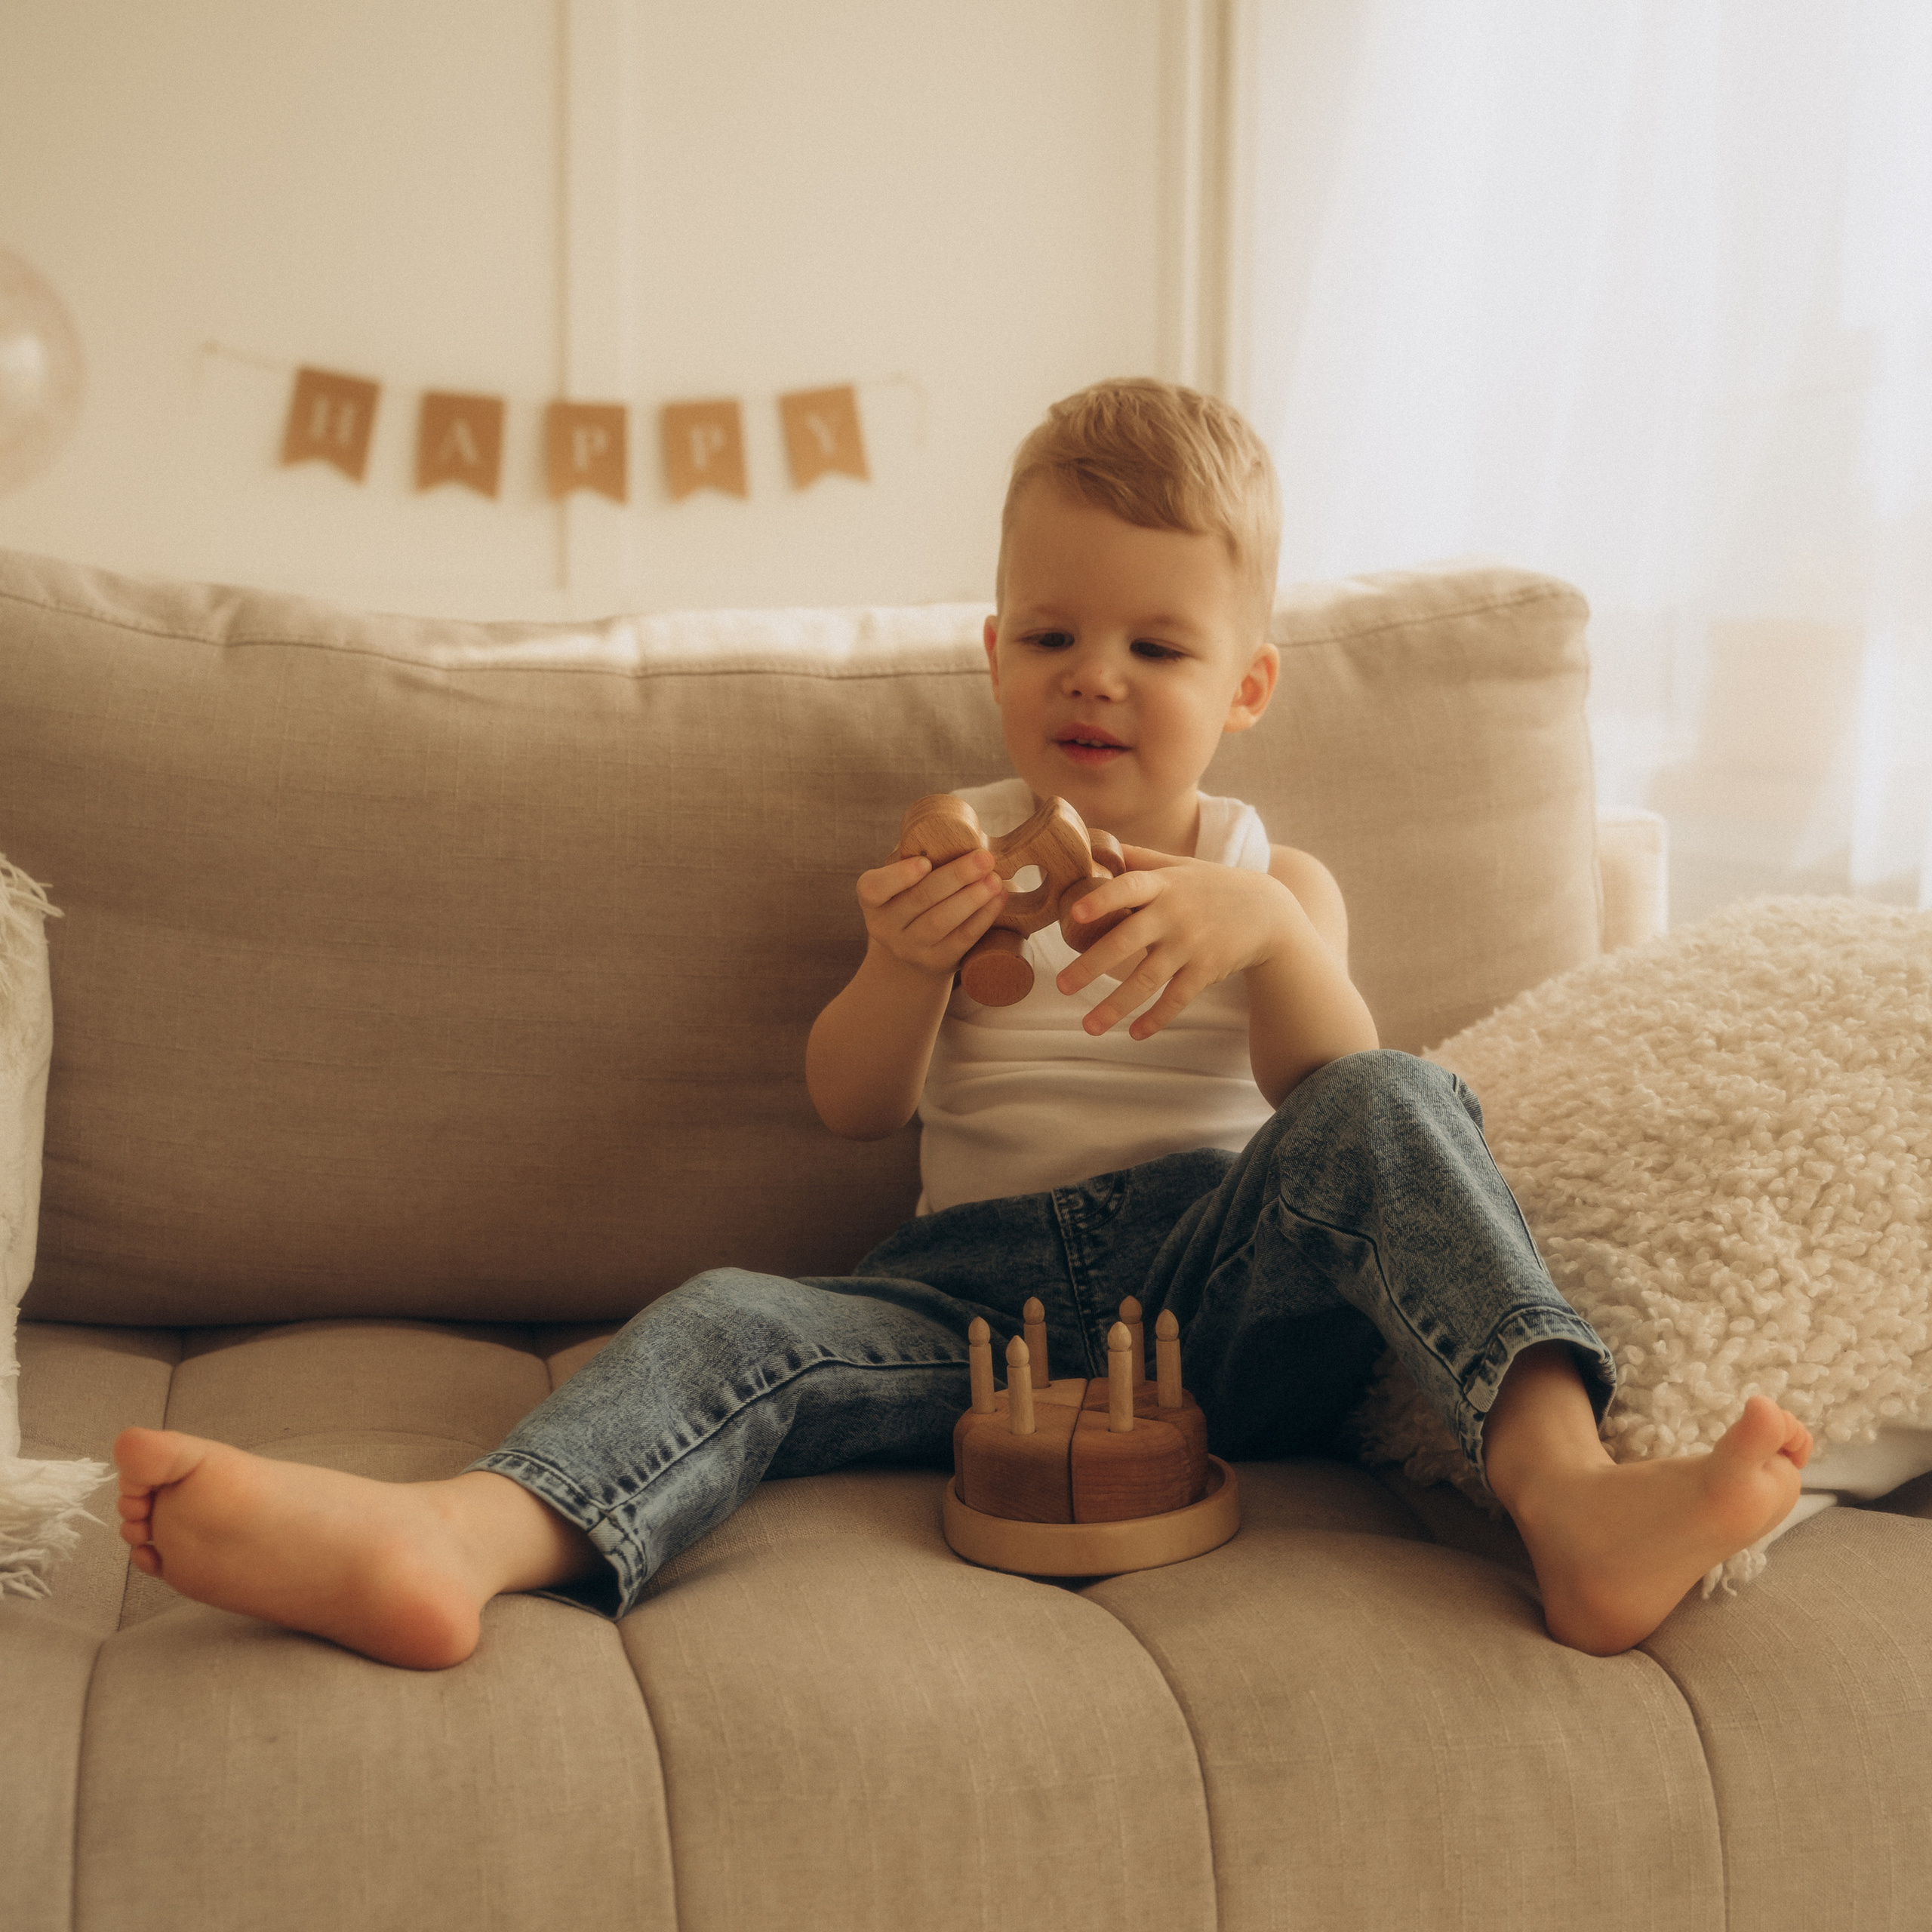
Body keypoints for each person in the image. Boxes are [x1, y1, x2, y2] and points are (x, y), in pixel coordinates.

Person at [112, 379, 1814, 1669]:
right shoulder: (955, 853)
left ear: (1243, 686)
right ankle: (460, 1532)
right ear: (995, 652)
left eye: (1155, 643)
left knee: (1394, 1088)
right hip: (965, 1292)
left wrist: (1271, 932)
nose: (1094, 674)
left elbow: (1334, 1092)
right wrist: (900, 965)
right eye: (1055, 634)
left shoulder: (1263, 867)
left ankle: (1565, 1487)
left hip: (1221, 1295)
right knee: (727, 1318)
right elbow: (852, 1105)